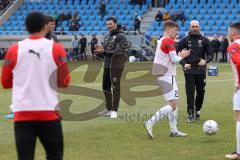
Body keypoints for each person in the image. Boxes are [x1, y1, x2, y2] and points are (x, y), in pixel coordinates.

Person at [1, 11, 70, 160]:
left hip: (22, 114)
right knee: (55, 156)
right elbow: (64, 82)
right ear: (45, 26)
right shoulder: (56, 49)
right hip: (48, 112)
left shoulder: (13, 50)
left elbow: (5, 83)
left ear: (26, 27)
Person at [144, 20, 190, 139]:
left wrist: (178, 55)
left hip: (162, 74)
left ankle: (174, 131)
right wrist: (183, 55)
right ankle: (150, 122)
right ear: (168, 30)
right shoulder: (169, 40)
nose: (177, 32)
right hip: (166, 75)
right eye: (175, 30)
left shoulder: (161, 40)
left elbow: (169, 57)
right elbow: (174, 59)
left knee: (174, 103)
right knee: (173, 105)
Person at [177, 20, 213, 122]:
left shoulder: (205, 40)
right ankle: (190, 114)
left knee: (201, 92)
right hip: (189, 71)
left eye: (196, 26)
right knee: (190, 92)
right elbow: (178, 55)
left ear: (199, 27)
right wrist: (184, 64)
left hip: (201, 71)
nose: (195, 28)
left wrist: (205, 61)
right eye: (193, 26)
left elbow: (211, 54)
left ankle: (198, 109)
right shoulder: (184, 41)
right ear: (190, 27)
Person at [95, 17, 128, 118]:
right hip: (107, 65)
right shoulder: (106, 36)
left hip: (117, 65)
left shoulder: (121, 36)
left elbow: (119, 51)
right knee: (105, 87)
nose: (108, 26)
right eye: (107, 24)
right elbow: (104, 53)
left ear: (116, 24)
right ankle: (109, 109)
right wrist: (98, 52)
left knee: (115, 87)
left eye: (110, 24)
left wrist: (104, 51)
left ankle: (114, 110)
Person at [225, 22, 240, 160]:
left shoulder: (234, 45)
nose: (227, 34)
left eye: (228, 32)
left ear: (234, 33)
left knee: (239, 119)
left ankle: (239, 153)